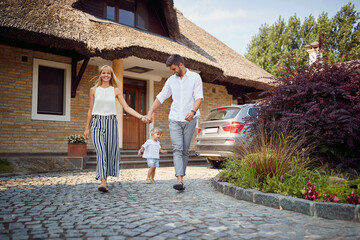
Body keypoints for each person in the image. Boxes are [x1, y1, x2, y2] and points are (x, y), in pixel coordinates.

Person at [84, 65, 147, 192]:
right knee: (101, 152)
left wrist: (141, 117)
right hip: (96, 122)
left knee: (109, 152)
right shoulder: (93, 90)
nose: (106, 75)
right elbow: (90, 109)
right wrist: (86, 128)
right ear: (100, 75)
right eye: (103, 73)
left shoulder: (116, 90)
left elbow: (127, 108)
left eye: (108, 73)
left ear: (111, 75)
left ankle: (105, 178)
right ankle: (103, 182)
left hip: (111, 122)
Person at [145, 54, 203, 191]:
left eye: (174, 68)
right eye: (171, 69)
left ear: (181, 65)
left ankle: (181, 176)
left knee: (184, 150)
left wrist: (193, 112)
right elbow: (161, 97)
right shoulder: (171, 80)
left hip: (190, 119)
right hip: (175, 119)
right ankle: (179, 179)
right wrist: (150, 112)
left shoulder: (195, 77)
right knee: (177, 148)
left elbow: (199, 98)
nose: (172, 72)